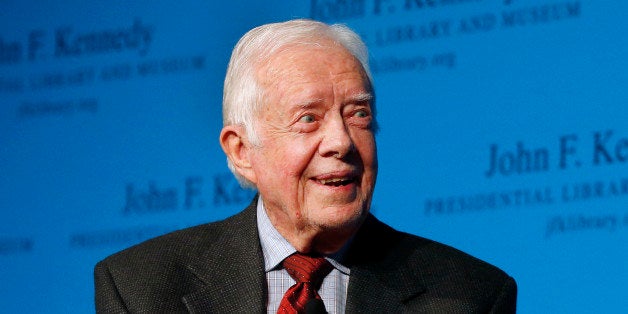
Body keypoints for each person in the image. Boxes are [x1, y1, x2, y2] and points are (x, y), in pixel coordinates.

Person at [94, 19, 517, 313]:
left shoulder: (469, 295)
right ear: (241, 151)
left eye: (359, 115)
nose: (341, 142)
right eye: (308, 119)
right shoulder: (141, 287)